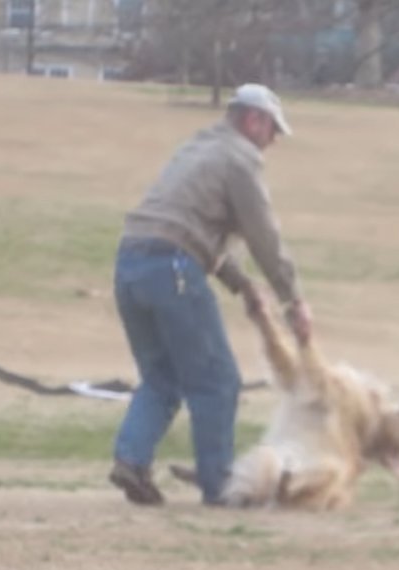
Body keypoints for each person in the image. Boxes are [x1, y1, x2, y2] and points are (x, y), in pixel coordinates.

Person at [108, 83, 312, 507]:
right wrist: (293, 300)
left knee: (162, 378)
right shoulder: (240, 158)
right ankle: (219, 483)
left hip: (129, 264)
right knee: (217, 381)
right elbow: (263, 237)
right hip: (174, 271)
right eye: (273, 130)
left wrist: (242, 285)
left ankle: (131, 460)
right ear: (253, 120)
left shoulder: (197, 148)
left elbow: (185, 228)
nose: (273, 141)